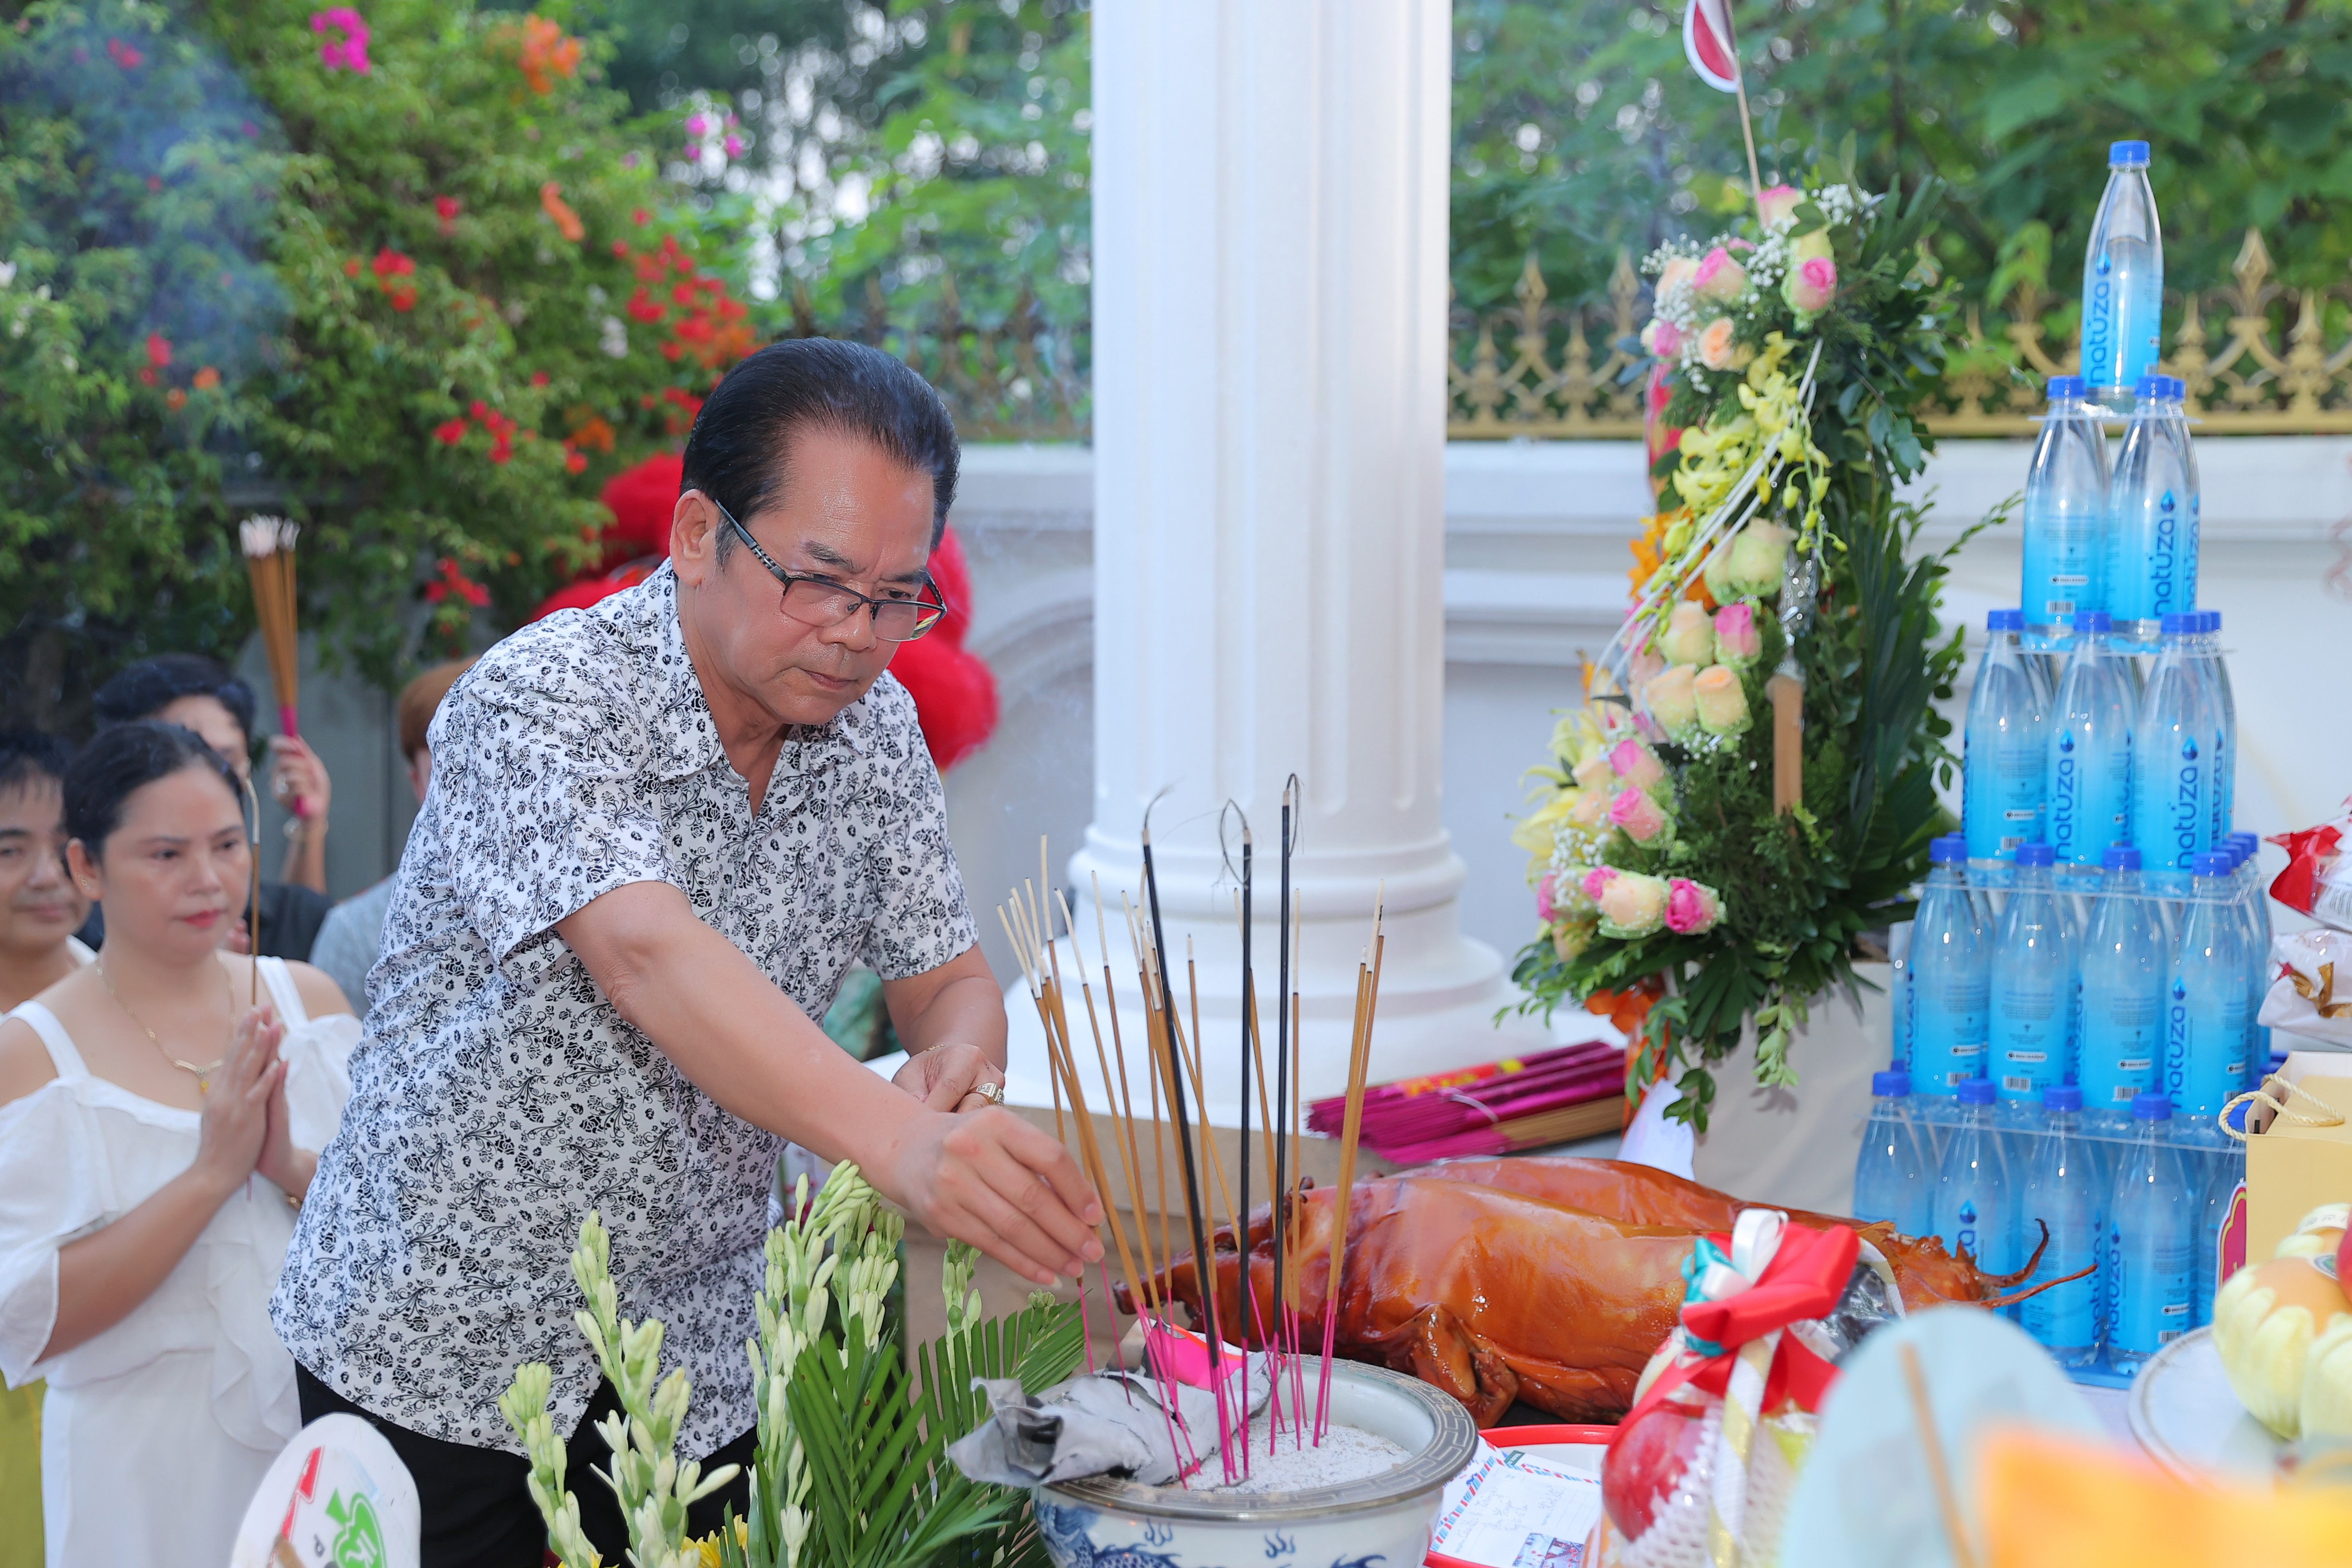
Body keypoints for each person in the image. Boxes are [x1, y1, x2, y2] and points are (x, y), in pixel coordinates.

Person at [271, 338, 1103, 1567]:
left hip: (689, 1351)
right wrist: (901, 1143)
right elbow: (647, 954)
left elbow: (948, 978)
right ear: (699, 535)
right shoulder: (535, 701)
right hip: (437, 1333)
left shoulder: (871, 731)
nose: (856, 633)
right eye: (819, 581)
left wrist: (954, 1066)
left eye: (895, 594)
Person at [0, 721, 357, 1568]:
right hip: (135, 1467)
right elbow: (29, 1320)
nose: (208, 880)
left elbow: (394, 1232)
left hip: (318, 1458)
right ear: (86, 867)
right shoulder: (30, 1053)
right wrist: (209, 1177)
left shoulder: (307, 1004)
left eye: (228, 845)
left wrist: (288, 1169)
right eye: (165, 855)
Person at [0, 732, 90, 1568]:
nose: (42, 875)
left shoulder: (132, 1000)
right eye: (7, 848)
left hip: (121, 1389)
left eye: (59, 847)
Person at [91, 654, 334, 959]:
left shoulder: (303, 920)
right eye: (166, 855)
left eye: (225, 760)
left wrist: (309, 824)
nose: (207, 780)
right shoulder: (81, 940)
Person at [309, 658, 478, 1010]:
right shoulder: (356, 933)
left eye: (488, 763)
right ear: (417, 783)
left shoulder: (585, 905)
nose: (472, 788)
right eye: (446, 771)